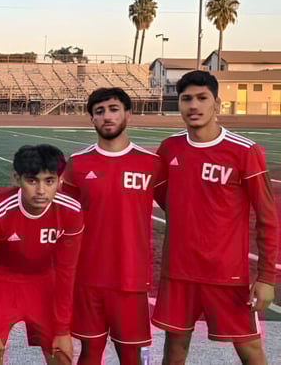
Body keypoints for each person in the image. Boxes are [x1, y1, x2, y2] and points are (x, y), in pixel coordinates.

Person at [151, 71, 279, 364]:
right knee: (174, 349)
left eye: (201, 98)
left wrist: (266, 278)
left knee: (250, 349)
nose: (193, 106)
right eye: (186, 99)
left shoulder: (244, 152)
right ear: (179, 104)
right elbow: (163, 197)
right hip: (179, 273)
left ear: (217, 104)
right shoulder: (169, 148)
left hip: (226, 275)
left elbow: (267, 218)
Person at [60, 88, 165, 364]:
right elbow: (63, 222)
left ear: (127, 113)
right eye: (99, 111)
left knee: (133, 356)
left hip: (130, 280)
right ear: (92, 119)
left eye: (114, 109)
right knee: (90, 353)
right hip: (87, 278)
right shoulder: (78, 164)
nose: (107, 116)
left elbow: (179, 212)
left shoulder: (151, 164)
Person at [0, 145, 83, 365]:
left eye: (49, 181)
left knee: (62, 354)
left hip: (44, 284)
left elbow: (67, 271)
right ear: (16, 179)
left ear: (60, 180)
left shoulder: (71, 210)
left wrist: (63, 329)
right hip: (0, 283)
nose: (41, 191)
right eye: (32, 181)